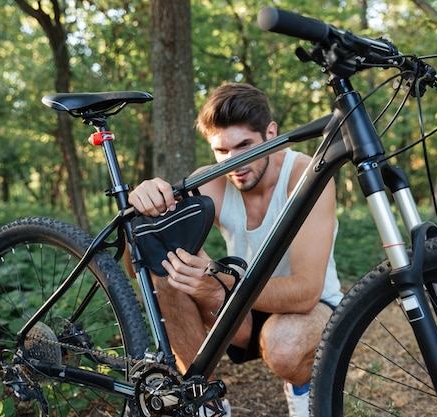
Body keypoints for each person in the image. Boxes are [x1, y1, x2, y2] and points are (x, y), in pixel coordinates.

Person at [128, 83, 342, 417]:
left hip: (310, 311)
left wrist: (223, 283)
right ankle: (204, 402)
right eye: (222, 151)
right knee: (168, 277)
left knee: (284, 345)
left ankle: (304, 390)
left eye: (245, 146)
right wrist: (143, 211)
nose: (234, 163)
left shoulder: (305, 175)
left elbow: (306, 292)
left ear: (270, 134)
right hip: (241, 309)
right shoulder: (211, 180)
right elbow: (137, 266)